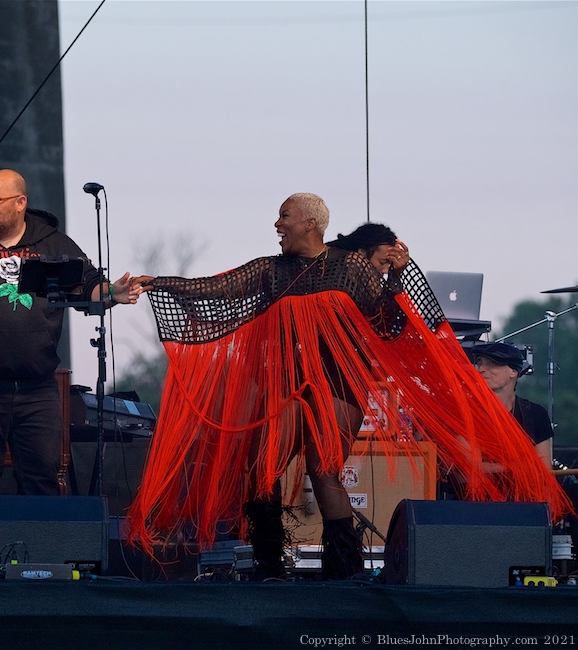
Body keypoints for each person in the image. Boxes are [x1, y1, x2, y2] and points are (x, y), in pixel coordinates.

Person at [127, 193, 571, 581]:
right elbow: (217, 289)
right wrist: (160, 282)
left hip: (338, 385)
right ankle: (268, 566)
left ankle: (343, 569)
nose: (277, 223)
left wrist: (397, 277)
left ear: (311, 223)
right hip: (286, 384)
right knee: (262, 470)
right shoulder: (270, 270)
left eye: (285, 215)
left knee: (325, 472)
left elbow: (388, 323)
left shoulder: (351, 267)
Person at [0, 169, 141, 497]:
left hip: (38, 391)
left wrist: (113, 293)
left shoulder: (53, 243)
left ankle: (39, 549)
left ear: (20, 203)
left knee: (42, 484)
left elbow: (86, 285)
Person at [472, 342, 553, 466]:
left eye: (492, 363)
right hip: (480, 486)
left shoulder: (536, 414)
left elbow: (545, 470)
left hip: (526, 486)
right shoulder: (468, 413)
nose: (481, 369)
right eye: (480, 363)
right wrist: (521, 467)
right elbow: (470, 469)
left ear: (513, 372)